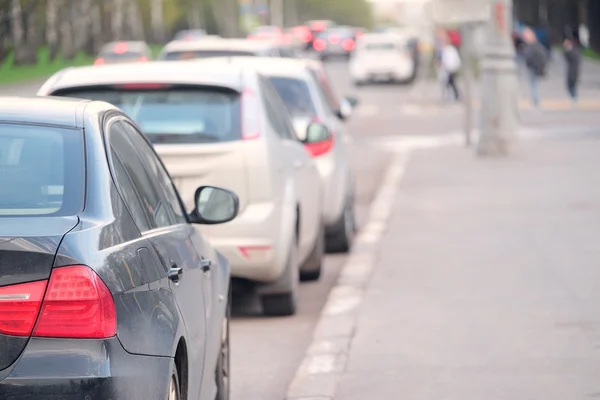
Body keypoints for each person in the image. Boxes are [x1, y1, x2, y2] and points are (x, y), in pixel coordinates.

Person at [522, 28, 548, 108]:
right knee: (533, 85)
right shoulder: (534, 45)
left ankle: (536, 102)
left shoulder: (533, 46)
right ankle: (535, 101)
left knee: (533, 86)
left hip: (534, 68)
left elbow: (531, 57)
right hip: (534, 68)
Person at [441, 34, 461, 101]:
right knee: (450, 83)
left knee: (450, 83)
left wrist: (451, 66)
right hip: (449, 68)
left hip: (451, 68)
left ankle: (454, 96)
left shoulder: (450, 49)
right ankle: (452, 95)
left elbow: (452, 59)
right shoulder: (447, 49)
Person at [563, 37, 581, 104]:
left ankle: (574, 97)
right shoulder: (575, 52)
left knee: (571, 85)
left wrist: (567, 48)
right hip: (573, 71)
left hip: (572, 72)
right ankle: (574, 97)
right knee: (571, 85)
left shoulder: (572, 52)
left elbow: (566, 55)